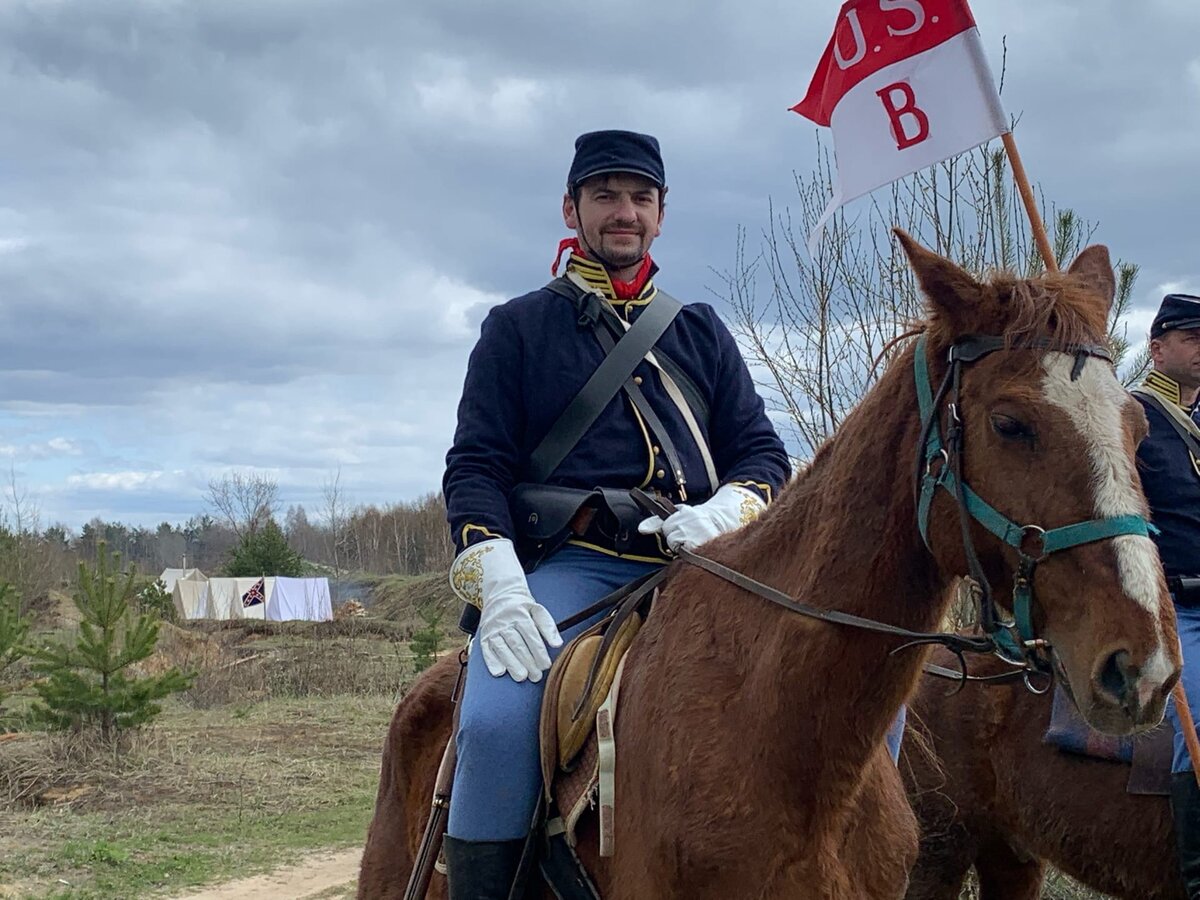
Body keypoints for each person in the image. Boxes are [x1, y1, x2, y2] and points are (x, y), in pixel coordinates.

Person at [1130, 292, 1200, 898]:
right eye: (1193, 338)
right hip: (1177, 607)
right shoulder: (1131, 417)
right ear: (1157, 348)